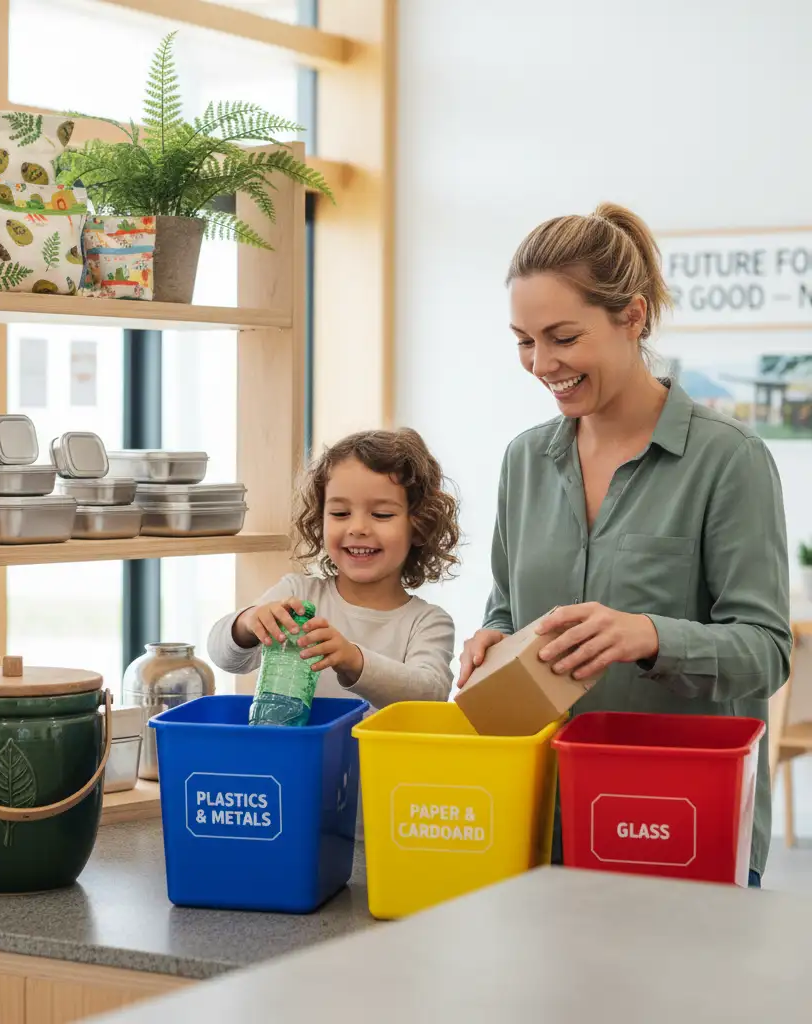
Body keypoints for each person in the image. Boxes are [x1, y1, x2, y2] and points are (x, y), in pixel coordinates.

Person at [455, 202, 791, 888]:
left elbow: (767, 651)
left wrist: (649, 635)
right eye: (524, 340)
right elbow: (506, 609)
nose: (541, 363)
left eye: (563, 337)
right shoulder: (525, 462)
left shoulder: (728, 461)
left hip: (683, 823)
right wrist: (491, 641)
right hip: (541, 824)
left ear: (632, 317)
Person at [209, 428, 460, 709]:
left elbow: (430, 694)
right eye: (340, 513)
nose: (358, 528)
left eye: (381, 514)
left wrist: (354, 660)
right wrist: (248, 622)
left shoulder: (426, 622)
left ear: (419, 525)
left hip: (379, 755)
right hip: (298, 754)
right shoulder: (298, 595)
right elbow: (224, 656)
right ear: (320, 519)